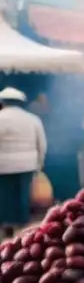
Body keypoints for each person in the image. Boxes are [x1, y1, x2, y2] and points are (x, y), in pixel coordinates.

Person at [0, 87, 46, 237]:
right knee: (23, 196)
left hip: (3, 165)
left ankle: (7, 226)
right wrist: (39, 164)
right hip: (27, 164)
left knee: (5, 196)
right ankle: (23, 227)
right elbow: (42, 145)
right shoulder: (33, 119)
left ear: (3, 102)